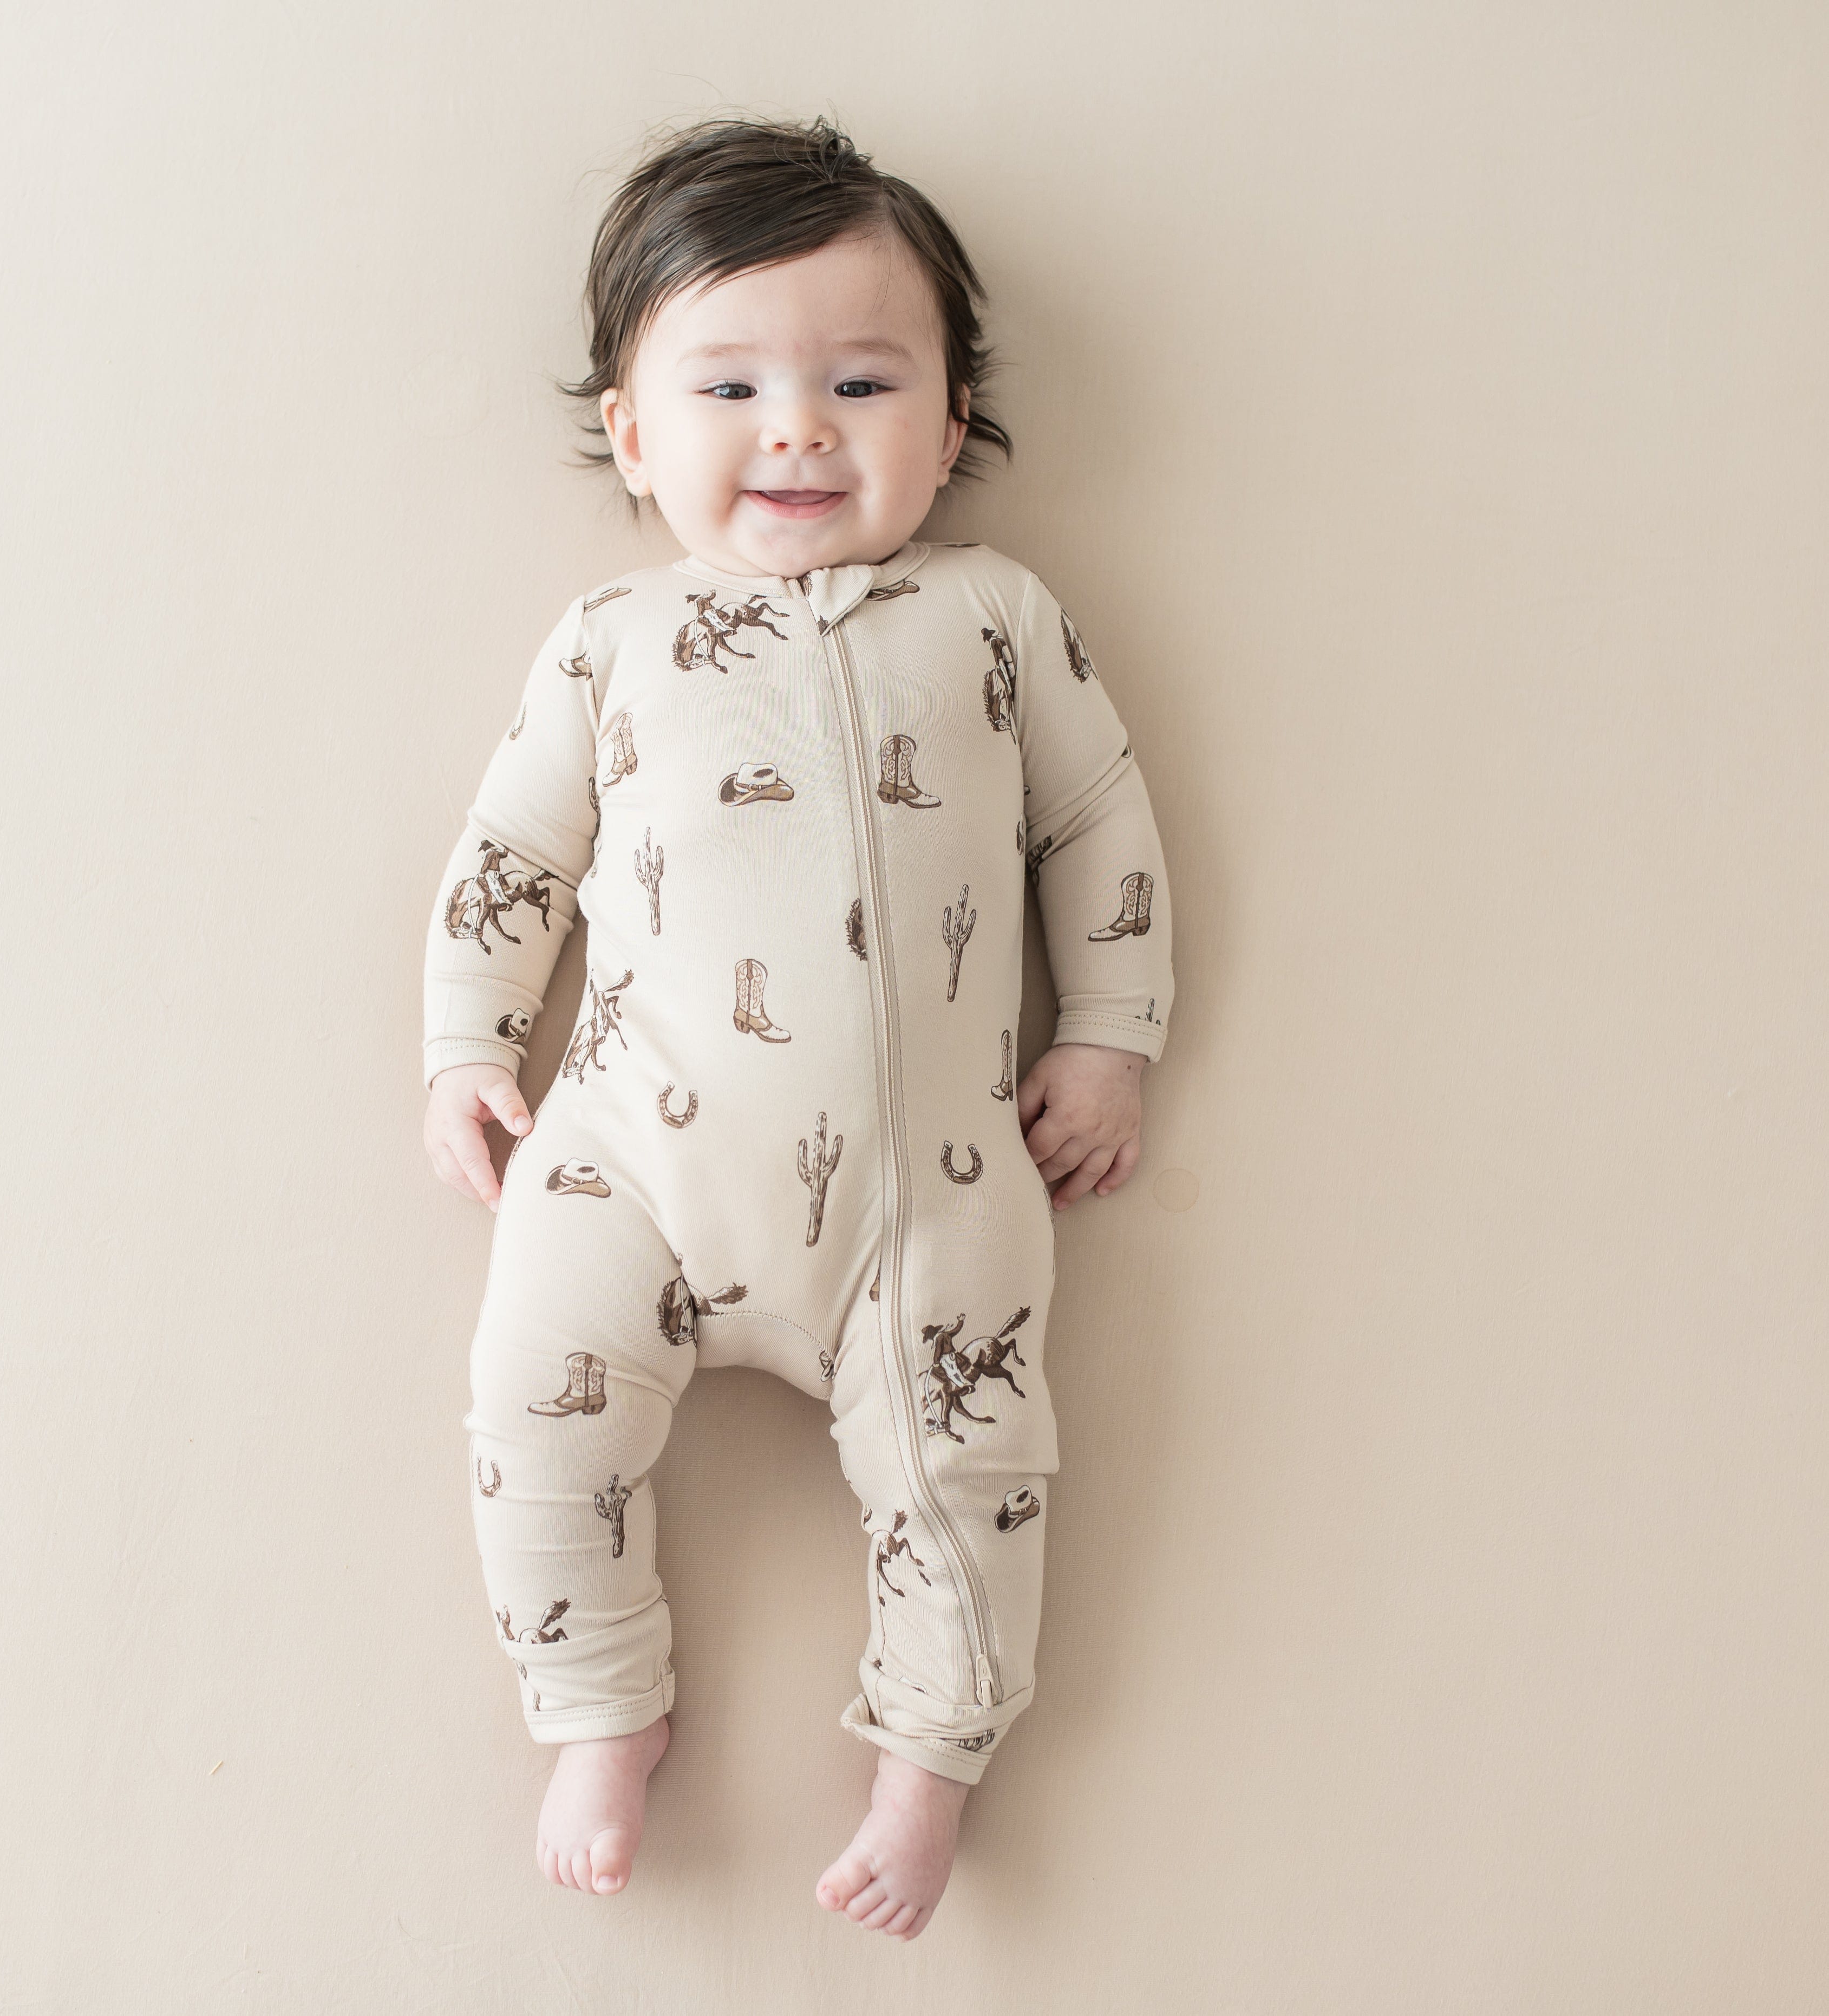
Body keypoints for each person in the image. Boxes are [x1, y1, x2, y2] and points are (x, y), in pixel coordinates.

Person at [421, 113, 1174, 1940]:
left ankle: (929, 1755)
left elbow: (1099, 821)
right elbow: (514, 847)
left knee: (976, 1470)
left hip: (928, 1183)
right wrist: (466, 1041)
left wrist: (1109, 1033)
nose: (798, 428)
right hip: (632, 1158)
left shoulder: (994, 618)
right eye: (730, 382)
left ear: (952, 412)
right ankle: (600, 1697)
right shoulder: (611, 638)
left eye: (860, 378)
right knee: (531, 1408)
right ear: (632, 430)